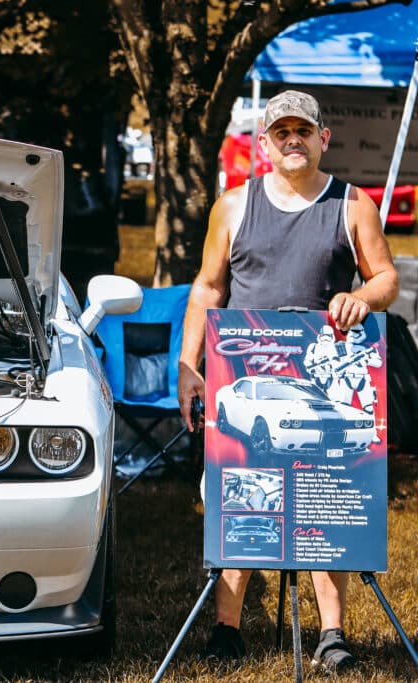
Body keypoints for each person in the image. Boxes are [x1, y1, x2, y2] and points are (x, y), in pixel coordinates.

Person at [177, 90, 399, 672]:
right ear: (263, 143)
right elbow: (207, 288)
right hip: (245, 378)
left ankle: (331, 634)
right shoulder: (232, 206)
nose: (293, 140)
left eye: (304, 130)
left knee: (329, 502)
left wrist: (361, 295)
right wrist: (189, 365)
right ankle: (227, 630)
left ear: (324, 138)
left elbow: (388, 280)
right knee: (239, 498)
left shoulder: (353, 205)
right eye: (281, 132)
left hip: (323, 382)